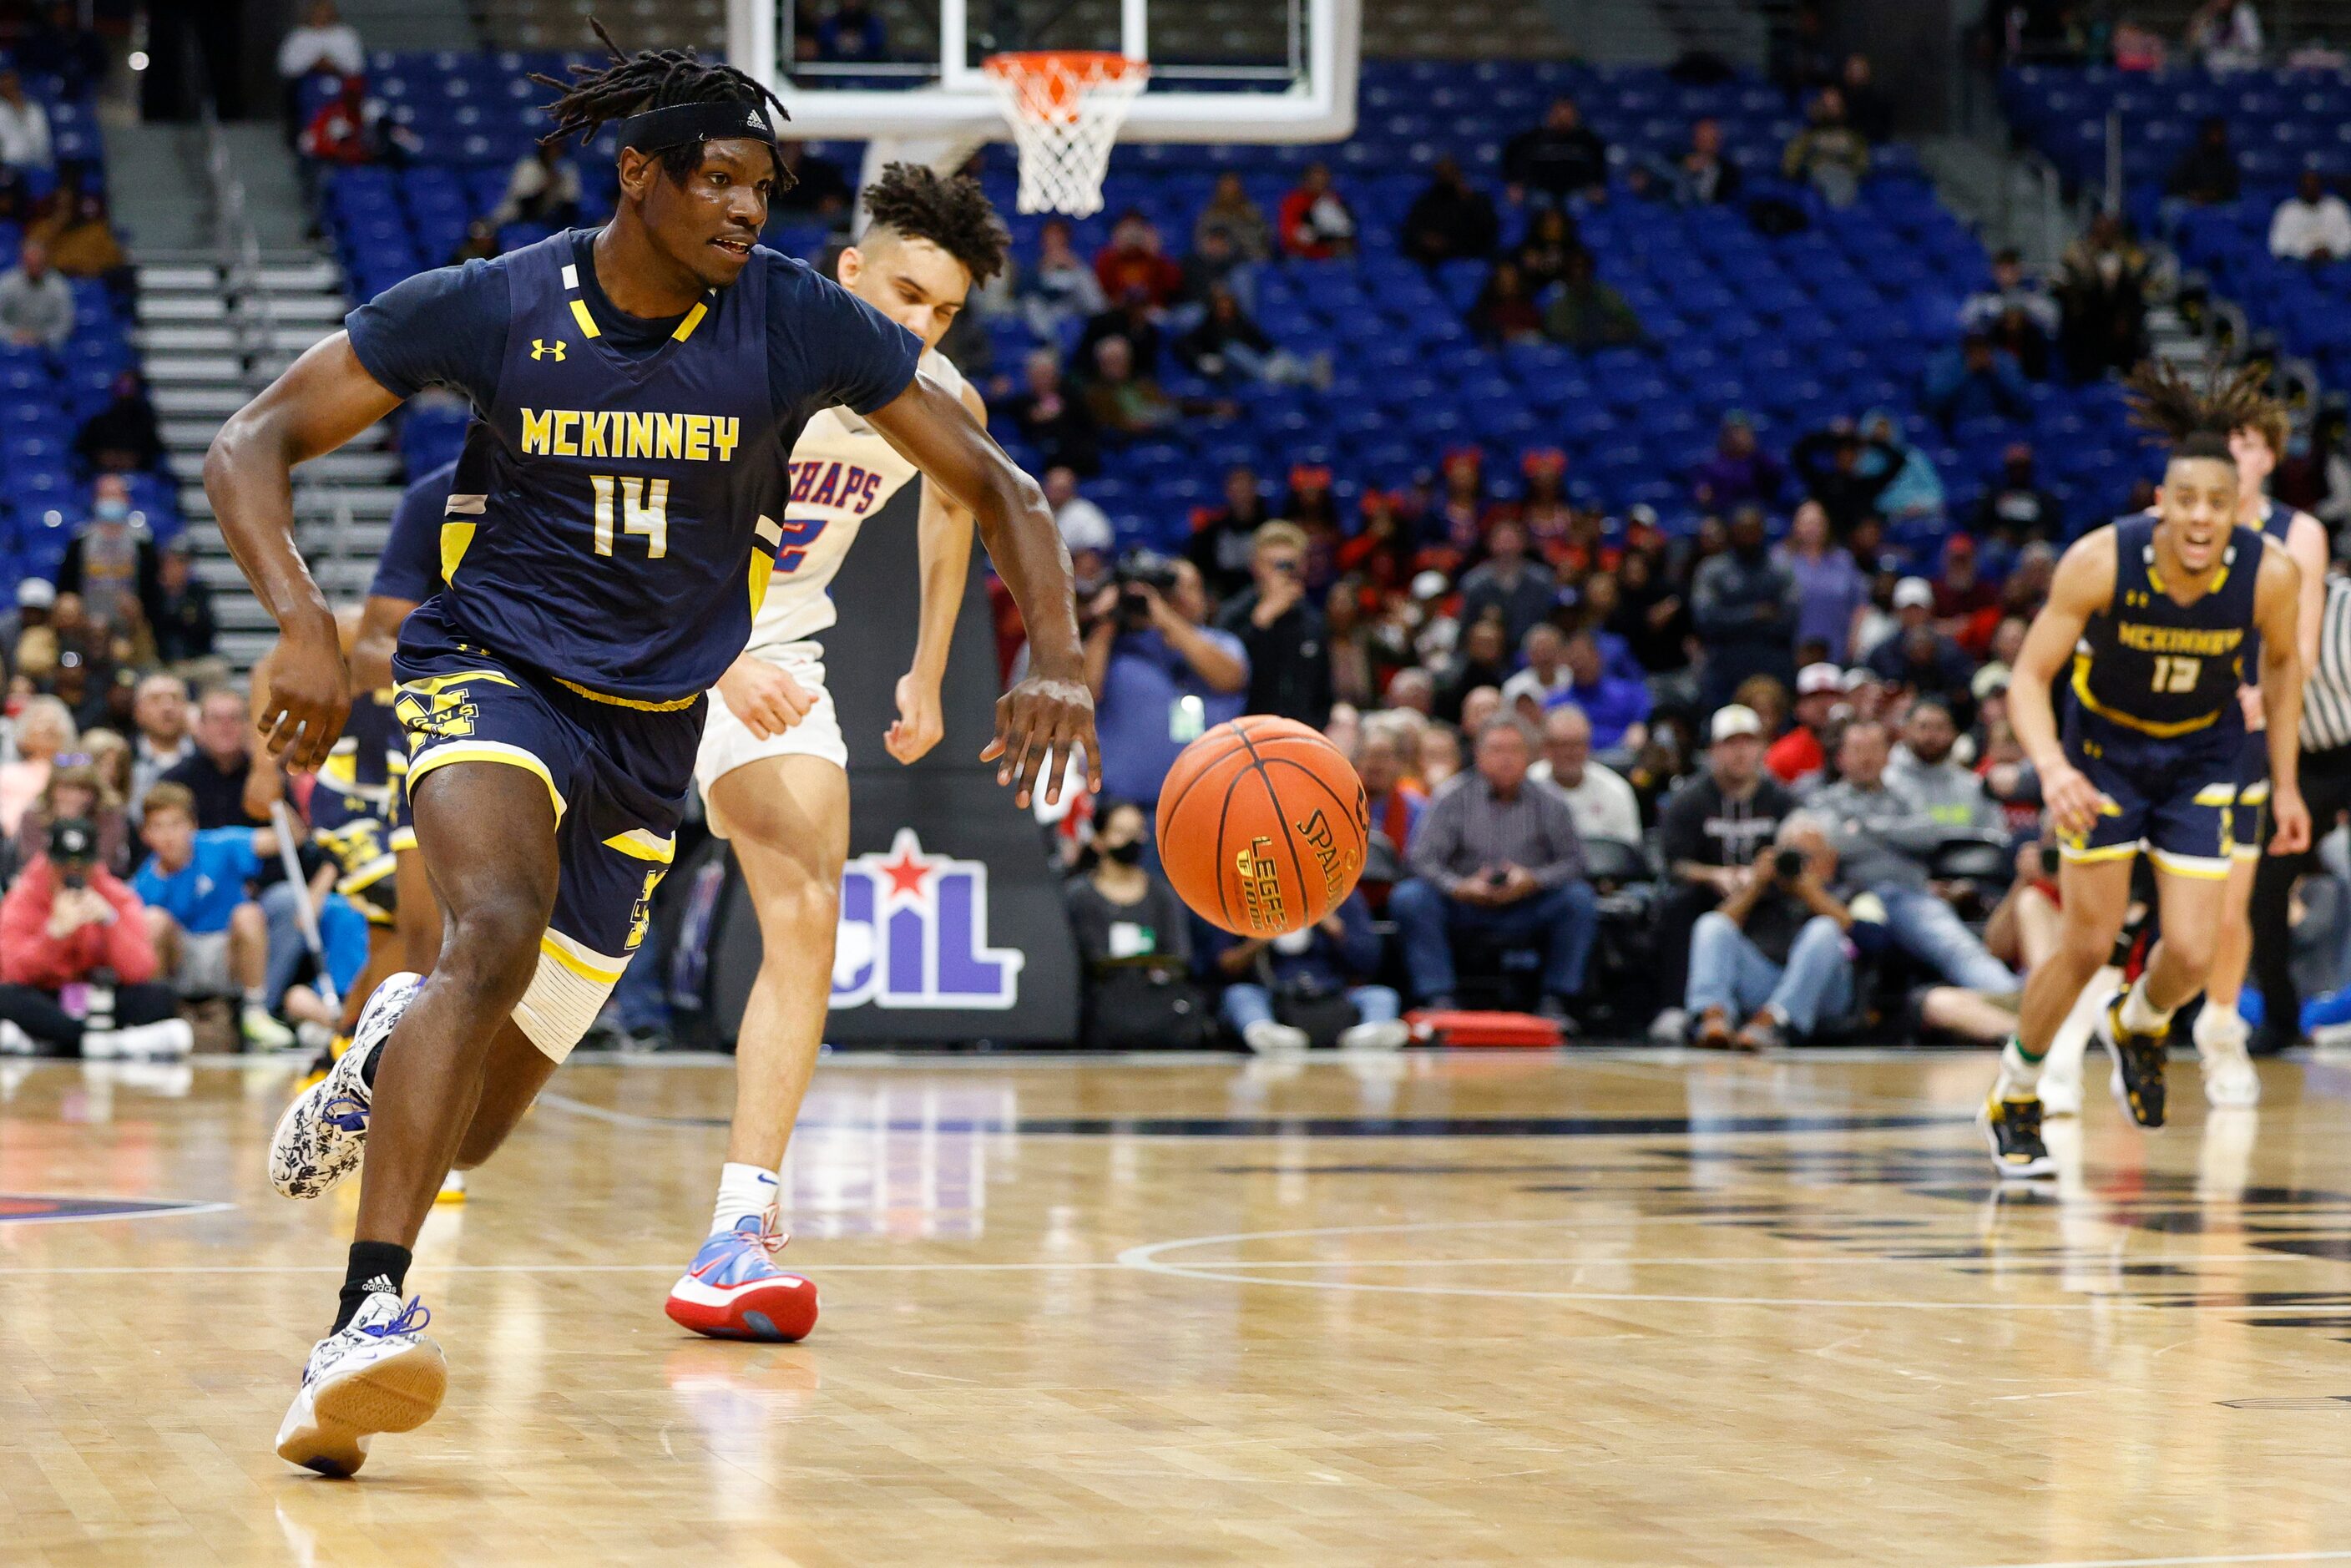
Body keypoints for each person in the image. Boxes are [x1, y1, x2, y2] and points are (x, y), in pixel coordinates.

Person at [215, 33, 1093, 1474]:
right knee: (488, 930)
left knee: (481, 1126)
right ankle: (366, 1315)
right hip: (493, 675)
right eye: (723, 182)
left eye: (766, 187)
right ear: (641, 176)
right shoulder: (500, 303)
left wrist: (1052, 653)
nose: (750, 210)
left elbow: (992, 483)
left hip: (649, 732)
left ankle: (388, 1051)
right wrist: (305, 620)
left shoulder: (799, 321)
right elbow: (253, 437)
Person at [660, 164, 1010, 1336]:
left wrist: (925, 660)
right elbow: (635, 523)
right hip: (634, 628)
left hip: (779, 644)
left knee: (810, 898)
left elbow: (956, 508)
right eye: (906, 295)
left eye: (943, 310)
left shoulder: (939, 393)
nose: (920, 326)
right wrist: (712, 651)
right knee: (543, 944)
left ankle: (737, 1227)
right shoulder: (744, 348)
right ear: (849, 272)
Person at [1981, 364, 2308, 1180]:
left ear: (2237, 509)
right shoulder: (2099, 560)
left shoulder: (2269, 574)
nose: (2200, 518)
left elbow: (2281, 674)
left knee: (2193, 954)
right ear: (2159, 502)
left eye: (2217, 504)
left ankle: (2140, 1022)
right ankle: (2015, 1091)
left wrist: (2287, 782)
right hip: (2102, 758)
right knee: (2088, 943)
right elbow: (2026, 677)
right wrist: (2050, 768)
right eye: (2185, 501)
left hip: (2199, 754)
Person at [2193, 389, 2328, 1093]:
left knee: (2233, 897)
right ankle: (2137, 1009)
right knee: (2167, 906)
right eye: (2224, 442)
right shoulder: (2175, 524)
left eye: (2246, 443)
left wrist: (2266, 698)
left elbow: (2298, 649)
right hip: (2170, 727)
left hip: (2247, 728)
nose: (2234, 456)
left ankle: (2221, 1027)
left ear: (2269, 455)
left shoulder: (2295, 532)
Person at [1390, 716, 1598, 1024]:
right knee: (1410, 897)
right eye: (1497, 749)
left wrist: (1533, 880)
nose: (1507, 758)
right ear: (1478, 754)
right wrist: (1458, 886)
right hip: (1463, 904)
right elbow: (1420, 859)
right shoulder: (1452, 797)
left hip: (1526, 906)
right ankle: (1439, 998)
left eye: (1515, 749)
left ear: (1529, 755)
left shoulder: (1551, 801)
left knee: (1578, 899)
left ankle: (1557, 1001)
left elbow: (1575, 862)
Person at [1807, 719, 2018, 993]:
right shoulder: (1825, 800)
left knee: (1955, 946)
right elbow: (1836, 843)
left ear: (1887, 756)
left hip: (1909, 894)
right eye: (1858, 750)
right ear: (1840, 758)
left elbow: (1929, 835)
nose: (1866, 758)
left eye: (1874, 749)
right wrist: (1898, 836)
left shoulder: (1906, 795)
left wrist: (1866, 825)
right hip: (1851, 897)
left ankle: (2010, 998)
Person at [0, 816, 192, 1059]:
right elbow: (11, 972)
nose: (72, 874)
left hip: (100, 998)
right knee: (5, 998)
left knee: (159, 996)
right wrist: (54, 934)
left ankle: (47, 1043)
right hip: (48, 999)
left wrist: (110, 922)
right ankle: (108, 1043)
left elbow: (140, 970)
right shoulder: (24, 897)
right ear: (49, 862)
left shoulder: (115, 895)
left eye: (80, 866)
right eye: (63, 866)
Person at [130, 781, 297, 1050]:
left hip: (227, 956)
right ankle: (157, 1014)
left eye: (175, 824)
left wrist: (274, 795)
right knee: (151, 920)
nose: (168, 836)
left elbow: (291, 838)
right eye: (158, 827)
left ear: (193, 825)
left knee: (248, 913)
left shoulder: (221, 845)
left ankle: (256, 1011)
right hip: (182, 961)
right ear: (145, 834)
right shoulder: (143, 883)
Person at [1685, 814, 1862, 1050]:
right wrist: (1756, 885)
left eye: (1808, 857)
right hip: (1764, 982)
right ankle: (1713, 1018)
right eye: (1792, 856)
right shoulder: (1765, 889)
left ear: (1830, 859)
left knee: (1825, 928)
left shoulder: (1847, 889)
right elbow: (1719, 929)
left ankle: (1777, 1021)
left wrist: (1811, 893)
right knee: (1712, 923)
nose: (1800, 865)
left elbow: (1869, 936)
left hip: (1824, 992)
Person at [1065, 800, 1202, 1050]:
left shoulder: (1162, 895)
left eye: (1137, 832)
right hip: (1099, 1012)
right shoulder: (1078, 896)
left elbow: (1179, 954)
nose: (1132, 841)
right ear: (1098, 840)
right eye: (1121, 832)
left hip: (1158, 1008)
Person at [1203, 888, 1406, 1054]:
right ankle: (1266, 1033)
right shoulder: (1243, 895)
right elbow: (1224, 966)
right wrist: (1258, 941)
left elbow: (1369, 963)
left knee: (1382, 996)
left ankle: (1368, 1034)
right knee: (1239, 995)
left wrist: (1335, 929)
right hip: (1275, 998)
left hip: (1334, 996)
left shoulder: (1342, 894)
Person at [1216, 522, 1332, 730]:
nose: (1282, 573)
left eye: (1289, 564)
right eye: (1273, 564)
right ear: (1255, 566)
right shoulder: (1234, 615)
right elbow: (1227, 679)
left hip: (1301, 733)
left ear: (1303, 566)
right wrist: (1260, 623)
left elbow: (1323, 693)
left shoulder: (1312, 621)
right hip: (1245, 733)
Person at [1692, 506, 1799, 711]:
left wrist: (1732, 623)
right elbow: (1706, 621)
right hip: (1725, 670)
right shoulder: (1712, 570)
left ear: (1762, 531)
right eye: (1743, 530)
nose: (1748, 536)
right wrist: (1755, 614)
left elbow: (1788, 621)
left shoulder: (1780, 569)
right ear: (1732, 531)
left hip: (1772, 666)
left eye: (1753, 530)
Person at [56, 476, 163, 637]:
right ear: (95, 500)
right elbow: (66, 586)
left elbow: (153, 592)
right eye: (106, 496)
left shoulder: (142, 543)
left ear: (126, 499)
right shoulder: (80, 541)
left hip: (128, 626)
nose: (111, 501)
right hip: (86, 623)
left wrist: (139, 612)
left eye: (116, 496)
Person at [1532, 704, 1641, 849]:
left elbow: (1629, 852)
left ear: (1588, 747)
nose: (1569, 753)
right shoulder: (1526, 785)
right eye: (1561, 745)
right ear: (1545, 748)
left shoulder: (1616, 790)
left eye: (1577, 744)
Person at [159, 686, 260, 829]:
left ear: (248, 726)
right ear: (200, 726)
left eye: (234, 718)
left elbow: (292, 837)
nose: (226, 726)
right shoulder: (174, 780)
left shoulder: (264, 777)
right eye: (216, 719)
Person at [1866, 577, 1975, 706]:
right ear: (1897, 611)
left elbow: (1962, 693)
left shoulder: (1951, 651)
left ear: (1930, 609)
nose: (1913, 614)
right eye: (1907, 609)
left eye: (1918, 608)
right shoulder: (1883, 653)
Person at [1458, 518, 1558, 651]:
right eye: (1501, 541)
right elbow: (1466, 628)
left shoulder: (1542, 581)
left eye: (1511, 540)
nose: (1506, 547)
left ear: (1523, 543)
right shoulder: (1474, 583)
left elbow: (1550, 623)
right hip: (1488, 655)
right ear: (1491, 544)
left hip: (1531, 653)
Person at [277, 1, 366, 139]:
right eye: (318, 11)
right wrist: (314, 63)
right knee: (293, 90)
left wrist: (333, 65)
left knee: (356, 87)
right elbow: (286, 67)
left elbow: (356, 66)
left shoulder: (346, 35)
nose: (322, 14)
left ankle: (350, 136)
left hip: (341, 81)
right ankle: (298, 135)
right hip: (306, 81)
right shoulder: (299, 36)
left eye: (326, 11)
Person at [1552, 629, 1650, 752]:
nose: (1580, 664)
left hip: (1623, 758)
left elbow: (1643, 721)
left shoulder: (1629, 693)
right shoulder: (1556, 703)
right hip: (1574, 761)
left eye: (1583, 657)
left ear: (1597, 657)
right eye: (1574, 659)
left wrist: (1640, 726)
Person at [1502, 97, 1608, 206]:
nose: (1563, 118)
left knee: (1578, 205)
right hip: (1539, 190)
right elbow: (1516, 160)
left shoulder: (1588, 141)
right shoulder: (1533, 139)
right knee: (1540, 203)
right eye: (1559, 114)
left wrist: (1595, 186)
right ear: (1551, 115)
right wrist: (1517, 184)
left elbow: (1597, 168)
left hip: (1577, 191)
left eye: (1567, 115)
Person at [1401, 156, 1499, 267]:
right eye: (1443, 173)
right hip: (1429, 256)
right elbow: (1412, 229)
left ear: (1458, 174)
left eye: (1450, 172)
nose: (1447, 177)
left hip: (1464, 253)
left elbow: (1488, 230)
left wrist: (1469, 200)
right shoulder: (1426, 201)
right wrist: (1426, 239)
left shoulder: (1475, 200)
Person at [1782, 87, 1869, 208]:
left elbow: (1862, 164)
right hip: (1816, 185)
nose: (1830, 109)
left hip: (1846, 179)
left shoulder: (1851, 137)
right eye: (1826, 105)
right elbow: (1790, 166)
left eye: (1835, 105)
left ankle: (1843, 214)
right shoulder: (1807, 137)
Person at [1017, 218, 1106, 337]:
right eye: (1051, 236)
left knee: (1083, 281)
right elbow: (1022, 294)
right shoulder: (1033, 268)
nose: (1055, 240)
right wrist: (1042, 270)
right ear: (1043, 240)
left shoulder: (1078, 266)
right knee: (1031, 304)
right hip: (1047, 315)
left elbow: (1096, 305)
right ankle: (1055, 345)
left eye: (1059, 235)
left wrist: (1075, 267)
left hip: (1074, 311)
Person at [1924, 332, 2030, 430]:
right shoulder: (1946, 360)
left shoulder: (2002, 360)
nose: (1978, 354)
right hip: (1957, 426)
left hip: (2001, 426)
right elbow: (1934, 400)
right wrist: (1966, 372)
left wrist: (1995, 373)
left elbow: (2022, 400)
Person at [1541, 252, 1645, 350]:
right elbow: (1559, 335)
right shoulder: (1559, 305)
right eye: (1574, 273)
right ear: (1567, 278)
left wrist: (1621, 331)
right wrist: (1599, 334)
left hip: (1611, 350)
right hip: (1579, 357)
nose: (1580, 277)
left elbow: (1632, 325)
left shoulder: (1607, 295)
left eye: (1584, 272)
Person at [74, 371, 166, 476]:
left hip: (137, 475)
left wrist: (130, 460)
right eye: (122, 387)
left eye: (129, 387)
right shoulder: (98, 423)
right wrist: (105, 459)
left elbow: (153, 455)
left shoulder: (145, 424)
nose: (125, 392)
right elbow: (83, 451)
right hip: (102, 475)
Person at [128, 672, 192, 817]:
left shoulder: (208, 759)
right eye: (155, 699)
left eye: (175, 698)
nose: (167, 707)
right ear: (138, 711)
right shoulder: (124, 758)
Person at [1691, 413, 1784, 513]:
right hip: (1724, 514)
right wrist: (1703, 494)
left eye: (1741, 432)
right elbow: (1701, 489)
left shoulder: (1759, 461)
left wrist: (1754, 451)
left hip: (1757, 513)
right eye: (1733, 433)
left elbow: (1776, 478)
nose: (1737, 437)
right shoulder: (1713, 465)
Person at [1767, 662, 1843, 784]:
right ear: (1799, 706)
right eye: (1814, 697)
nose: (1823, 705)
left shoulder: (1861, 747)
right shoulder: (1783, 755)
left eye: (1830, 695)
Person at [1092, 210, 1182, 309]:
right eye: (1127, 229)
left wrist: (1156, 255)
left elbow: (1173, 287)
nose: (1132, 234)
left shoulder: (1155, 258)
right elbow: (1100, 292)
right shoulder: (1107, 258)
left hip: (1153, 310)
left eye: (1137, 228)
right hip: (1117, 311)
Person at [1976, 443, 2063, 542]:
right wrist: (1996, 532)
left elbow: (2053, 523)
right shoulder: (1996, 494)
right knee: (1995, 550)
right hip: (2002, 541)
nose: (2019, 471)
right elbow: (1982, 522)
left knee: (2040, 553)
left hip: (2033, 541)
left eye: (2023, 467)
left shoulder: (2041, 495)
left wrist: (2040, 532)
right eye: (2015, 467)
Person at [488, 142, 584, 229]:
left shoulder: (567, 169)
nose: (554, 153)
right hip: (514, 217)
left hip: (551, 219)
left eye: (558, 149)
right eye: (551, 149)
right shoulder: (528, 166)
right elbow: (525, 204)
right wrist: (546, 185)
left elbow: (571, 203)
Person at [0, 239, 73, 349]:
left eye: (38, 264)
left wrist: (43, 338)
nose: (35, 269)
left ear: (45, 263)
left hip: (47, 346)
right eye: (31, 264)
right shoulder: (6, 283)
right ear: (22, 262)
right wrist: (12, 335)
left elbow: (65, 321)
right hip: (10, 344)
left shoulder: (58, 286)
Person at [2270, 169, 2351, 263]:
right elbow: (2278, 246)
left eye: (2314, 186)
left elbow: (2348, 240)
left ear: (2321, 187)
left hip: (2334, 264)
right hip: (2299, 265)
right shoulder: (2287, 211)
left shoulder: (2337, 207)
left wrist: (2331, 252)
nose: (2311, 190)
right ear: (2299, 189)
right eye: (2307, 186)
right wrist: (2307, 253)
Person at [1277, 163, 1355, 260]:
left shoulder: (1334, 199)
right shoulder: (1293, 201)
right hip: (1302, 253)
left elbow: (1345, 230)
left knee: (1347, 256)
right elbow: (1289, 235)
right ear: (1306, 181)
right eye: (1316, 180)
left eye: (1324, 180)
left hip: (1331, 253)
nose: (1321, 184)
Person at [2166, 116, 2241, 210]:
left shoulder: (2228, 162)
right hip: (2190, 200)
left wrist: (2211, 196)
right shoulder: (2190, 158)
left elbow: (2231, 189)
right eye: (2213, 134)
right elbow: (2175, 183)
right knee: (2171, 207)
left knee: (2235, 208)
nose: (2216, 138)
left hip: (2219, 203)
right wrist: (2192, 194)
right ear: (2205, 135)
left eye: (2219, 135)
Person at [1195, 172, 1272, 261]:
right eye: (1226, 187)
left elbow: (1264, 240)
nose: (1230, 191)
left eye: (1233, 188)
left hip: (1248, 260)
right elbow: (1200, 243)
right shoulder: (1209, 214)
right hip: (1216, 261)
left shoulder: (1252, 212)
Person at [1674, 117, 1742, 206]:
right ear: (1695, 140)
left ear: (1718, 141)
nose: (1707, 143)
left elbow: (1730, 201)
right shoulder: (1677, 163)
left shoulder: (1730, 171)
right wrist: (1685, 170)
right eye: (1703, 138)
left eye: (1711, 139)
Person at [0, 68, 53, 171]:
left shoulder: (34, 108)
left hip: (39, 167)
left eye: (8, 77)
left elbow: (45, 143)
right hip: (8, 169)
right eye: (2, 79)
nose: (6, 83)